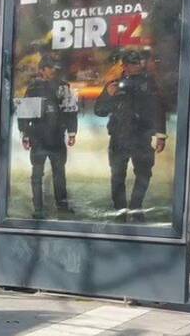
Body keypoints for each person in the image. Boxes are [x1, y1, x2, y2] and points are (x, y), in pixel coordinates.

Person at [94, 50, 166, 221]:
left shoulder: (148, 83)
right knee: (118, 176)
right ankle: (120, 211)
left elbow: (158, 108)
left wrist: (161, 135)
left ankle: (136, 207)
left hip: (142, 136)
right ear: (124, 66)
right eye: (133, 63)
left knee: (144, 173)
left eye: (138, 62)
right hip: (119, 137)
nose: (138, 66)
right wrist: (108, 96)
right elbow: (99, 111)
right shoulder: (114, 84)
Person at [18, 54, 78, 218]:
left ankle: (62, 206)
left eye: (54, 68)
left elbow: (70, 111)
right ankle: (38, 209)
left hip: (57, 138)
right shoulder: (33, 88)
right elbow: (25, 114)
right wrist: (25, 134)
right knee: (37, 175)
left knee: (59, 174)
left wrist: (72, 132)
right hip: (38, 139)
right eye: (49, 67)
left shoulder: (63, 87)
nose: (53, 70)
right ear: (42, 70)